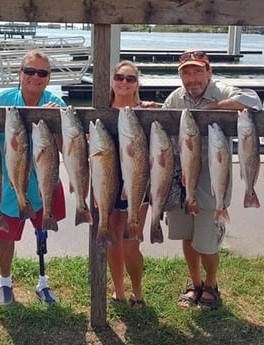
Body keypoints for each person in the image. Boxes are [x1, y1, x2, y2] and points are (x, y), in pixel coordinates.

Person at [163, 50, 262, 310]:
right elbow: (161, 120)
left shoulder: (221, 90)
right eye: (186, 72)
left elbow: (253, 101)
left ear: (209, 71)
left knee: (206, 239)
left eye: (197, 71)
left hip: (212, 180)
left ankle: (211, 285)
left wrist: (215, 108)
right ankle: (194, 283)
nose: (192, 78)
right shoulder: (176, 98)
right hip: (182, 178)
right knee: (187, 234)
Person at [0, 50, 67, 305]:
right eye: (29, 71)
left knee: (43, 230)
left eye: (42, 73)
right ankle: (5, 282)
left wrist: (56, 121)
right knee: (5, 236)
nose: (35, 77)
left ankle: (43, 281)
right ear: (19, 74)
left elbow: (66, 147)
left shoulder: (56, 103)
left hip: (43, 184)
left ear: (48, 78)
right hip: (7, 185)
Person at [108, 60, 156, 308]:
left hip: (137, 184)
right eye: (119, 77)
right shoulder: (101, 110)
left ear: (137, 84)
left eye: (130, 78)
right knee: (111, 240)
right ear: (112, 80)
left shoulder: (147, 111)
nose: (124, 82)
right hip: (107, 183)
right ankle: (118, 290)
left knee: (129, 242)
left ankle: (137, 291)